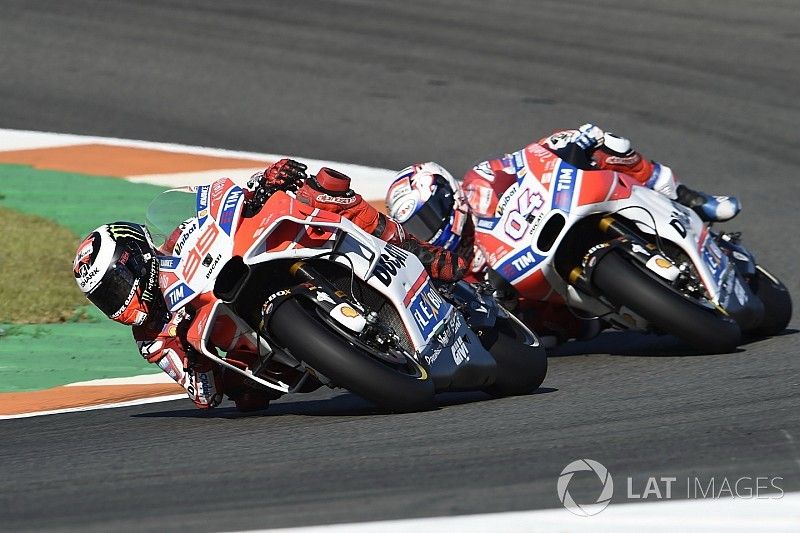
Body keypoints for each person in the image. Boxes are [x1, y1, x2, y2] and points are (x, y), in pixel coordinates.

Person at [73, 159, 466, 411]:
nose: (116, 298)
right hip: (252, 356)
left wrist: (264, 181)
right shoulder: (150, 336)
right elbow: (202, 393)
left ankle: (426, 256)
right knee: (246, 400)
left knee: (325, 193)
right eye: (104, 295)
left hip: (251, 265)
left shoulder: (175, 241)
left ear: (136, 256)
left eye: (115, 284)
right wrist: (188, 348)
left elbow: (226, 206)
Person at [386, 124, 741, 343]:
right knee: (549, 332)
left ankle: (691, 198)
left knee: (610, 146)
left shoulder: (481, 182)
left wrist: (567, 144)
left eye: (430, 215)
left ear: (450, 195)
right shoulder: (456, 265)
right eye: (420, 225)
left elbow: (527, 160)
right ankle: (619, 310)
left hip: (564, 214)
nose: (430, 229)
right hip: (549, 292)